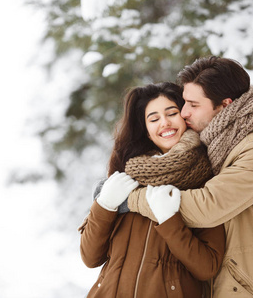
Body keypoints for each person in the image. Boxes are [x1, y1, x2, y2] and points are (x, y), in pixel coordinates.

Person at [126, 56, 253, 297]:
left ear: (225, 105)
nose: (184, 112)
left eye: (193, 105)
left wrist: (131, 199)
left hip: (251, 288)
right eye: (184, 102)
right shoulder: (219, 144)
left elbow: (208, 206)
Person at [79, 82, 225, 298]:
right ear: (146, 131)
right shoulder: (125, 178)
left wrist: (169, 220)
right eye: (154, 119)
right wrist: (105, 205)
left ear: (185, 117)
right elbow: (90, 257)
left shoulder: (205, 179)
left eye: (172, 113)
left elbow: (207, 267)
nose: (164, 123)